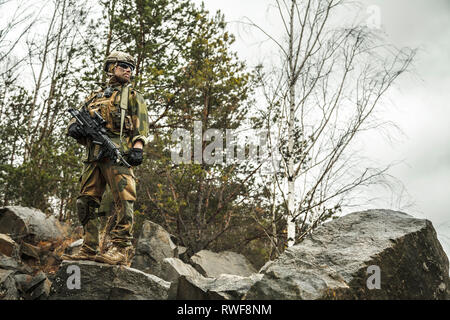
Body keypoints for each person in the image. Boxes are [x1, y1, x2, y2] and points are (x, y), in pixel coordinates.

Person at [63, 51, 149, 265]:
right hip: (93, 156)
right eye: (123, 65)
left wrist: (137, 147)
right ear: (111, 67)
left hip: (117, 152)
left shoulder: (132, 96)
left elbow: (142, 126)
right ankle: (90, 246)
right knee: (85, 201)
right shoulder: (94, 97)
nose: (129, 69)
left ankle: (121, 249)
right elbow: (78, 119)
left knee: (124, 199)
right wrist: (74, 128)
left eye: (131, 67)